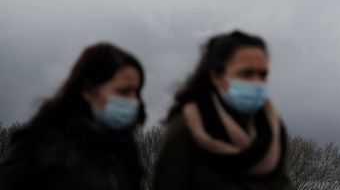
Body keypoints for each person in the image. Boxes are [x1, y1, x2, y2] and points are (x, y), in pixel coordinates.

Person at [153, 30, 292, 190]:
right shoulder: (189, 126)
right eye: (246, 74)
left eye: (263, 74)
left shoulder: (272, 125)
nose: (256, 82)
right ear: (216, 75)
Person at [0, 43, 146, 190]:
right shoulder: (44, 144)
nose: (134, 100)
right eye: (124, 91)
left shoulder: (124, 149)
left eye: (137, 92)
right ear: (88, 90)